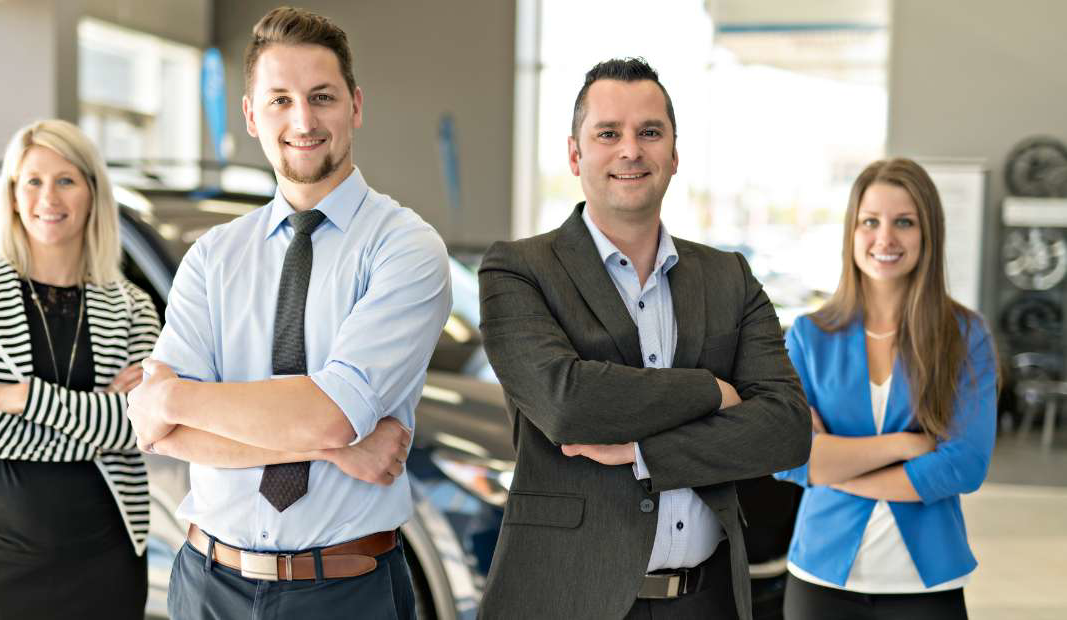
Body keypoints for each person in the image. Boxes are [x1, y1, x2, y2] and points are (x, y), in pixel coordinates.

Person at [124, 7, 452, 620]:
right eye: (279, 100)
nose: (303, 120)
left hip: (345, 591)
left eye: (321, 96)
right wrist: (335, 451)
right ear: (251, 114)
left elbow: (330, 414)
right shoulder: (213, 257)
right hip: (207, 584)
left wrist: (170, 397)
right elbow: (158, 436)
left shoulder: (405, 248)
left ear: (355, 105)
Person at [475, 57, 811, 620]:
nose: (630, 150)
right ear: (575, 153)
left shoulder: (729, 276)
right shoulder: (518, 270)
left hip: (707, 600)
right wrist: (712, 391)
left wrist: (643, 451)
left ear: (674, 154)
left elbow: (786, 429)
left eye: (649, 132)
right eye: (608, 133)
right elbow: (568, 403)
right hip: (567, 600)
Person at [0, 119, 161, 619]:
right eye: (32, 181)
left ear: (91, 192)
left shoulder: (132, 306)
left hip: (105, 550)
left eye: (66, 179)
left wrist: (22, 398)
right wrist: (97, 416)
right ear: (14, 195)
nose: (49, 197)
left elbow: (142, 427)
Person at [775, 158, 997, 619]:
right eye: (870, 222)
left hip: (926, 584)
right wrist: (906, 444)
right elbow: (787, 457)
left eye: (904, 223)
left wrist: (835, 466)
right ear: (851, 233)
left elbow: (964, 466)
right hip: (822, 578)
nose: (885, 238)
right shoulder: (809, 337)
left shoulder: (964, 335)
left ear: (927, 234)